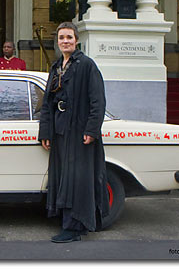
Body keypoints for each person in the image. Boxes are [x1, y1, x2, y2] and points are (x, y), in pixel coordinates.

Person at [38, 22, 110, 243]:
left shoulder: (87, 65)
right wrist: (46, 132)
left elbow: (98, 101)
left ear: (76, 40)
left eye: (69, 37)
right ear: (57, 41)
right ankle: (66, 221)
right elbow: (48, 103)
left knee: (77, 179)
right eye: (61, 38)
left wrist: (91, 130)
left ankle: (75, 227)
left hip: (80, 133)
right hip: (60, 132)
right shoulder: (56, 66)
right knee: (62, 178)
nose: (65, 41)